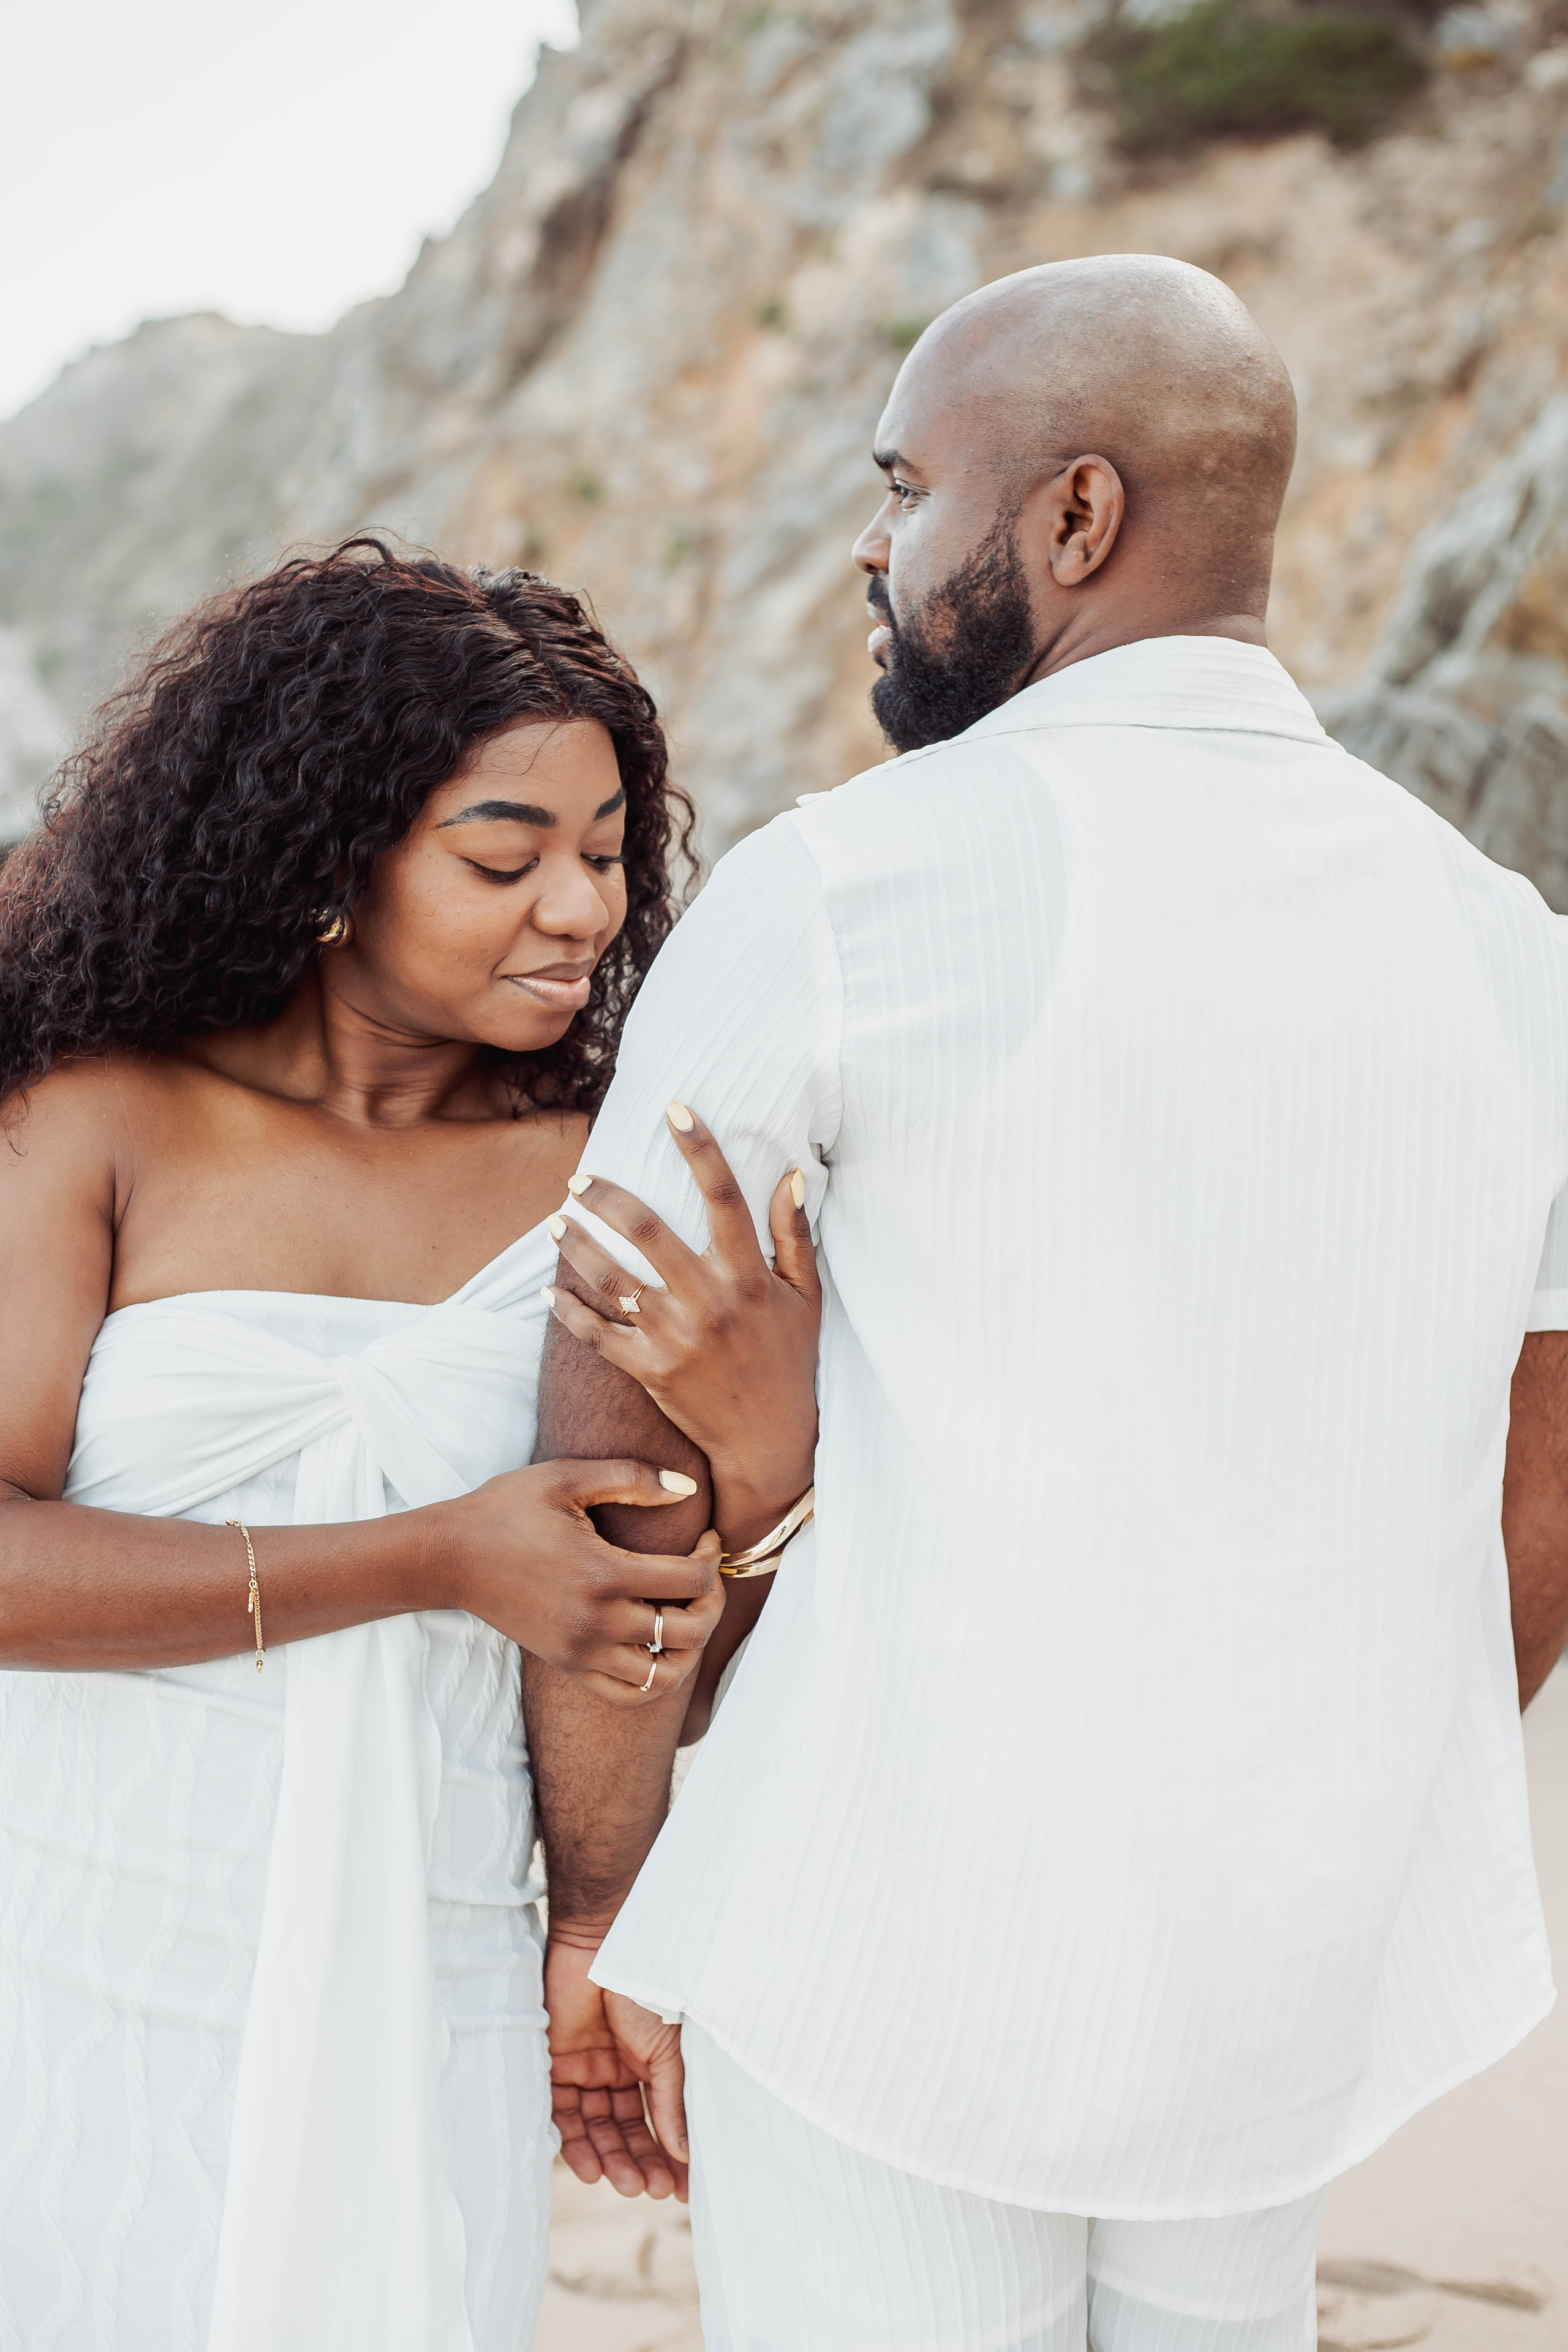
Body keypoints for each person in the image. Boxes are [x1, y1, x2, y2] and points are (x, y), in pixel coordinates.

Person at [526, 257, 1568, 2349]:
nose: (871, 547)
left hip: (883, 1931)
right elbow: (1537, 1488)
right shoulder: (1507, 950)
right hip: (1279, 1981)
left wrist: (611, 1893)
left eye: (907, 487)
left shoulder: (849, 891)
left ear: (1078, 516)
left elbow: (611, 1446)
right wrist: (1342, 1819)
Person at [0, 540, 813, 2352]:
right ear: (326, 854)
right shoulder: (99, 1122)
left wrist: (768, 1468)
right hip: (83, 1937)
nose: (581, 910)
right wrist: (434, 1556)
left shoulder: (616, 1176)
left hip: (437, 1945)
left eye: (608, 853)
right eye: (503, 859)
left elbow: (667, 1654)